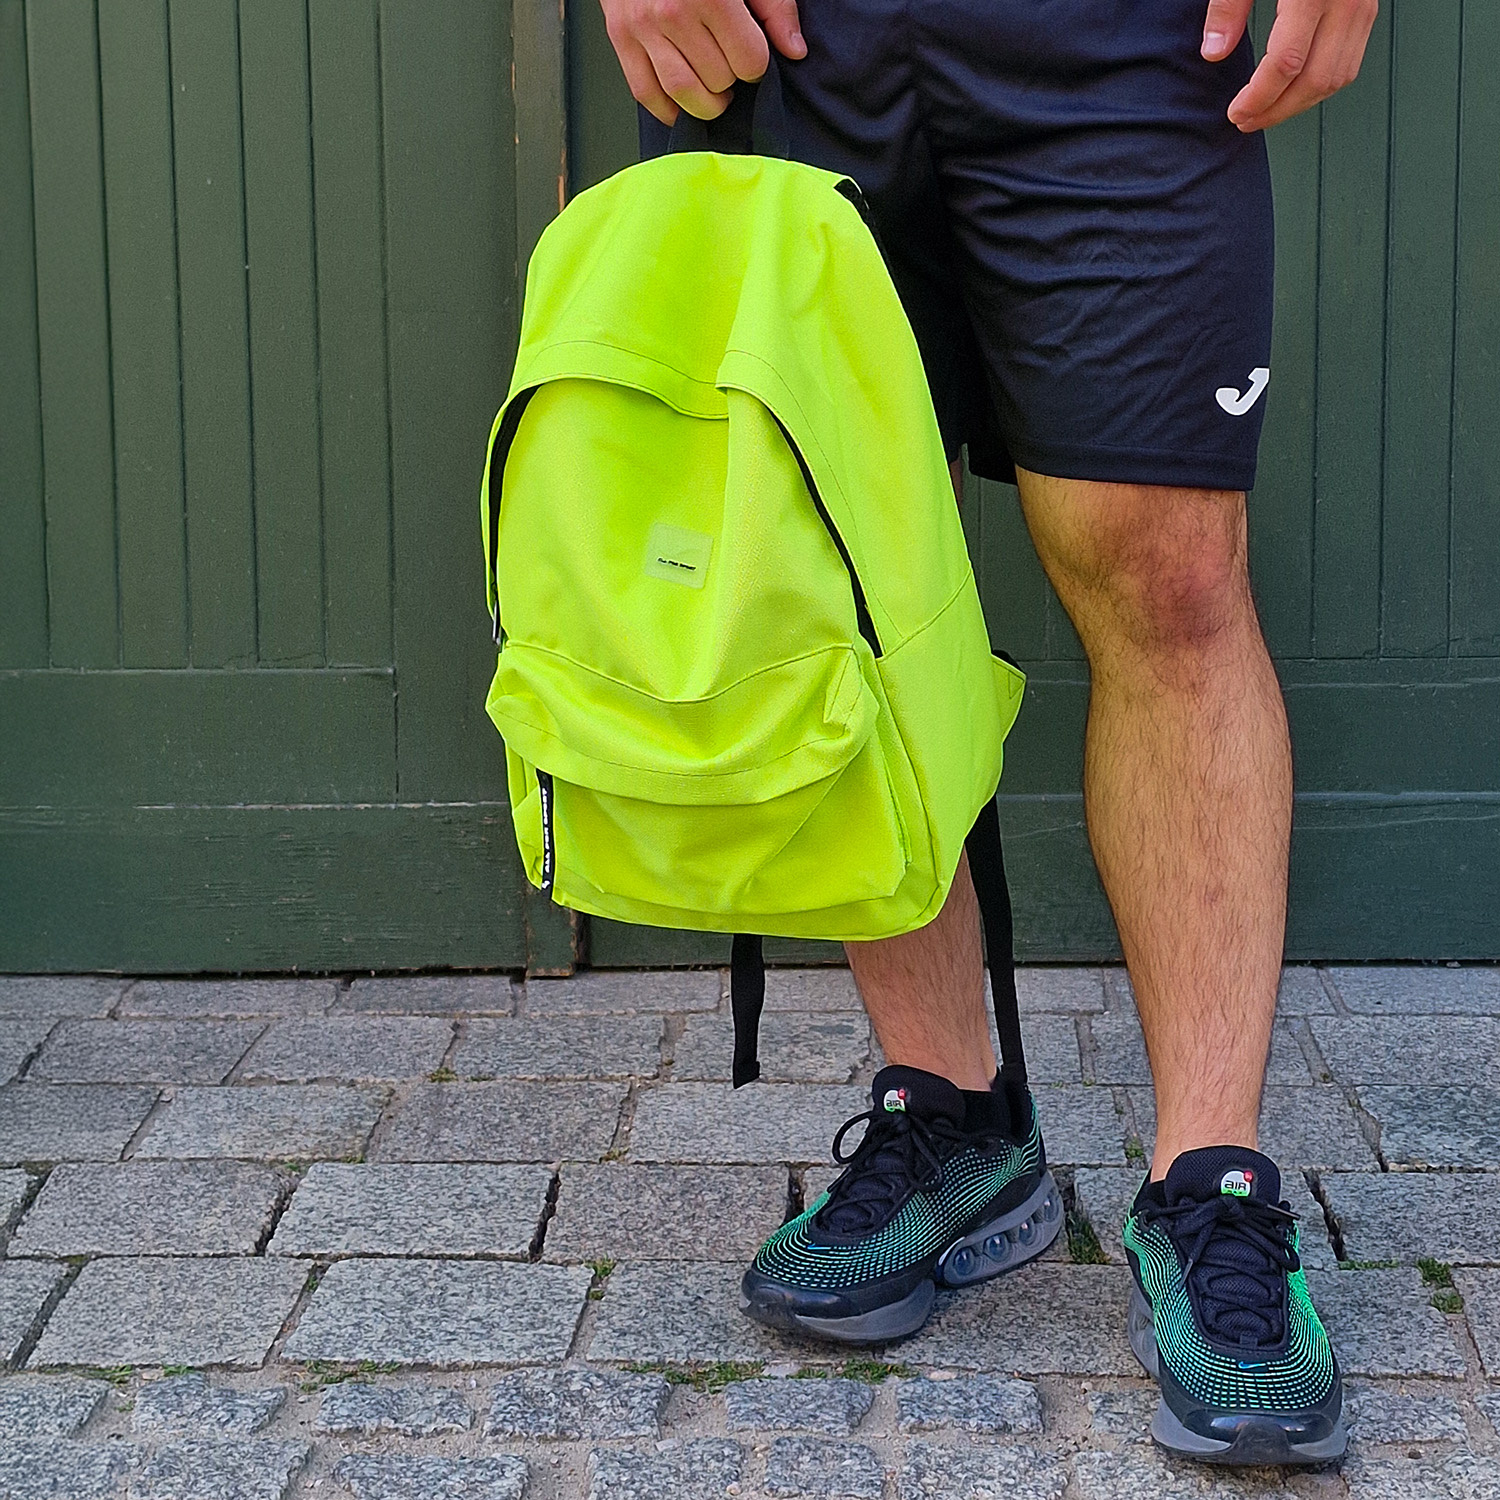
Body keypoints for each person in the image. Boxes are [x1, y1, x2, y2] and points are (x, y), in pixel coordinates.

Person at [600, 0, 1376, 1463]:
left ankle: (1212, 1184)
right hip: (781, 43)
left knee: (1170, 572)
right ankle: (952, 1117)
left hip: (1124, 37)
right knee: (831, 568)